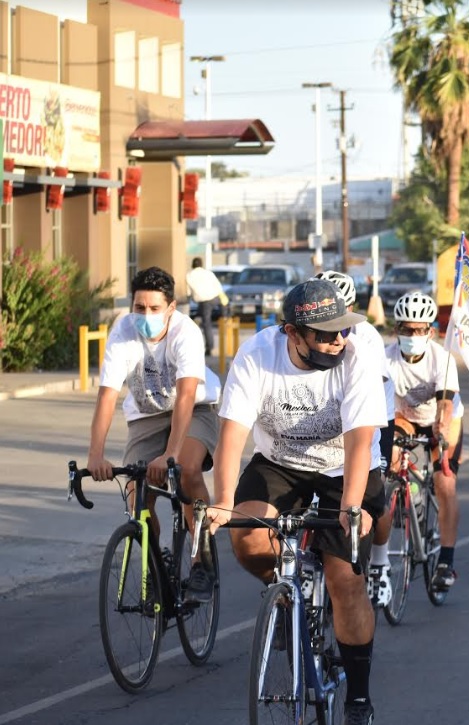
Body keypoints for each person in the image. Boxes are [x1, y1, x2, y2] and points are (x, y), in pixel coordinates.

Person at [206, 278, 387, 725]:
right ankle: (290, 595)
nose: (338, 339)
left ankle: (358, 697)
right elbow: (232, 435)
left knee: (344, 579)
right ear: (292, 333)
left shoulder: (357, 357)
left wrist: (350, 508)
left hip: (345, 468)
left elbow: (359, 441)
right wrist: (223, 500)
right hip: (280, 461)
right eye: (325, 334)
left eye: (343, 329)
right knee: (247, 538)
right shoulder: (257, 355)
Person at [87, 266, 221, 603]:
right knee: (137, 492)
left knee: (186, 470)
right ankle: (156, 563)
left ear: (171, 307)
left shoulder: (186, 333)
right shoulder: (123, 331)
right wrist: (95, 454)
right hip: (146, 414)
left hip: (195, 408)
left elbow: (186, 397)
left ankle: (202, 559)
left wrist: (170, 454)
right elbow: (107, 395)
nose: (145, 315)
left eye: (154, 308)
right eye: (139, 307)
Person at [312, 270, 398, 607]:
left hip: (372, 418)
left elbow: (363, 403)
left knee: (376, 493)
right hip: (327, 422)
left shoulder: (366, 338)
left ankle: (381, 563)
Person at [375, 292, 464, 592]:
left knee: (445, 484)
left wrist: (442, 433)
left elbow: (446, 406)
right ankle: (407, 493)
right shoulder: (385, 358)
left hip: (442, 418)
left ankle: (446, 563)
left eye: (419, 330)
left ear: (430, 331)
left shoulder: (442, 358)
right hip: (405, 417)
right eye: (406, 329)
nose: (412, 335)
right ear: (396, 329)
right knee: (389, 460)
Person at [185, 257, 227, 356]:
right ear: (201, 264)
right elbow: (219, 287)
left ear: (192, 265)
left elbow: (188, 293)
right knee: (207, 319)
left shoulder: (189, 275)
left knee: (206, 324)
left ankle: (209, 347)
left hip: (204, 302)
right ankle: (225, 317)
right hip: (216, 298)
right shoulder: (208, 273)